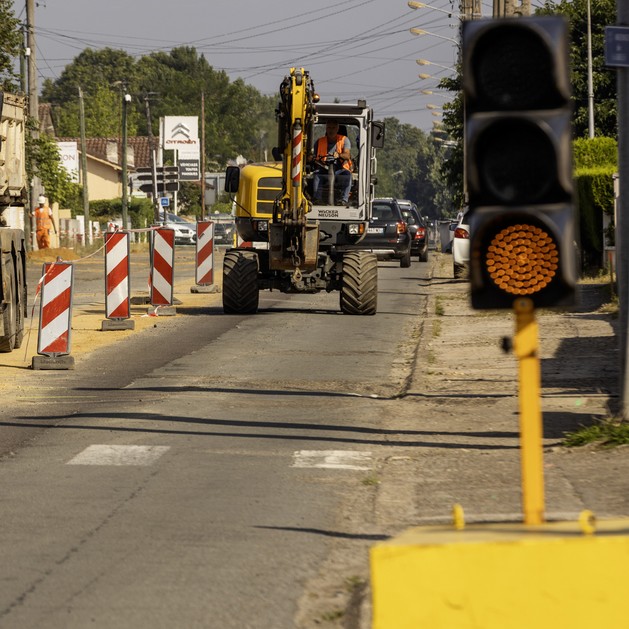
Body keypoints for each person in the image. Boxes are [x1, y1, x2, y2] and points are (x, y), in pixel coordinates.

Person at [311, 120, 353, 205]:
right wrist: (311, 158)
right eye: (329, 128)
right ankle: (317, 199)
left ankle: (344, 200)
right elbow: (313, 157)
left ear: (337, 129)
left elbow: (347, 155)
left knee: (347, 175)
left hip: (340, 169)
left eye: (333, 128)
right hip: (323, 168)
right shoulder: (319, 142)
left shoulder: (344, 140)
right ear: (326, 129)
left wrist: (339, 155)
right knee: (316, 175)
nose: (331, 130)